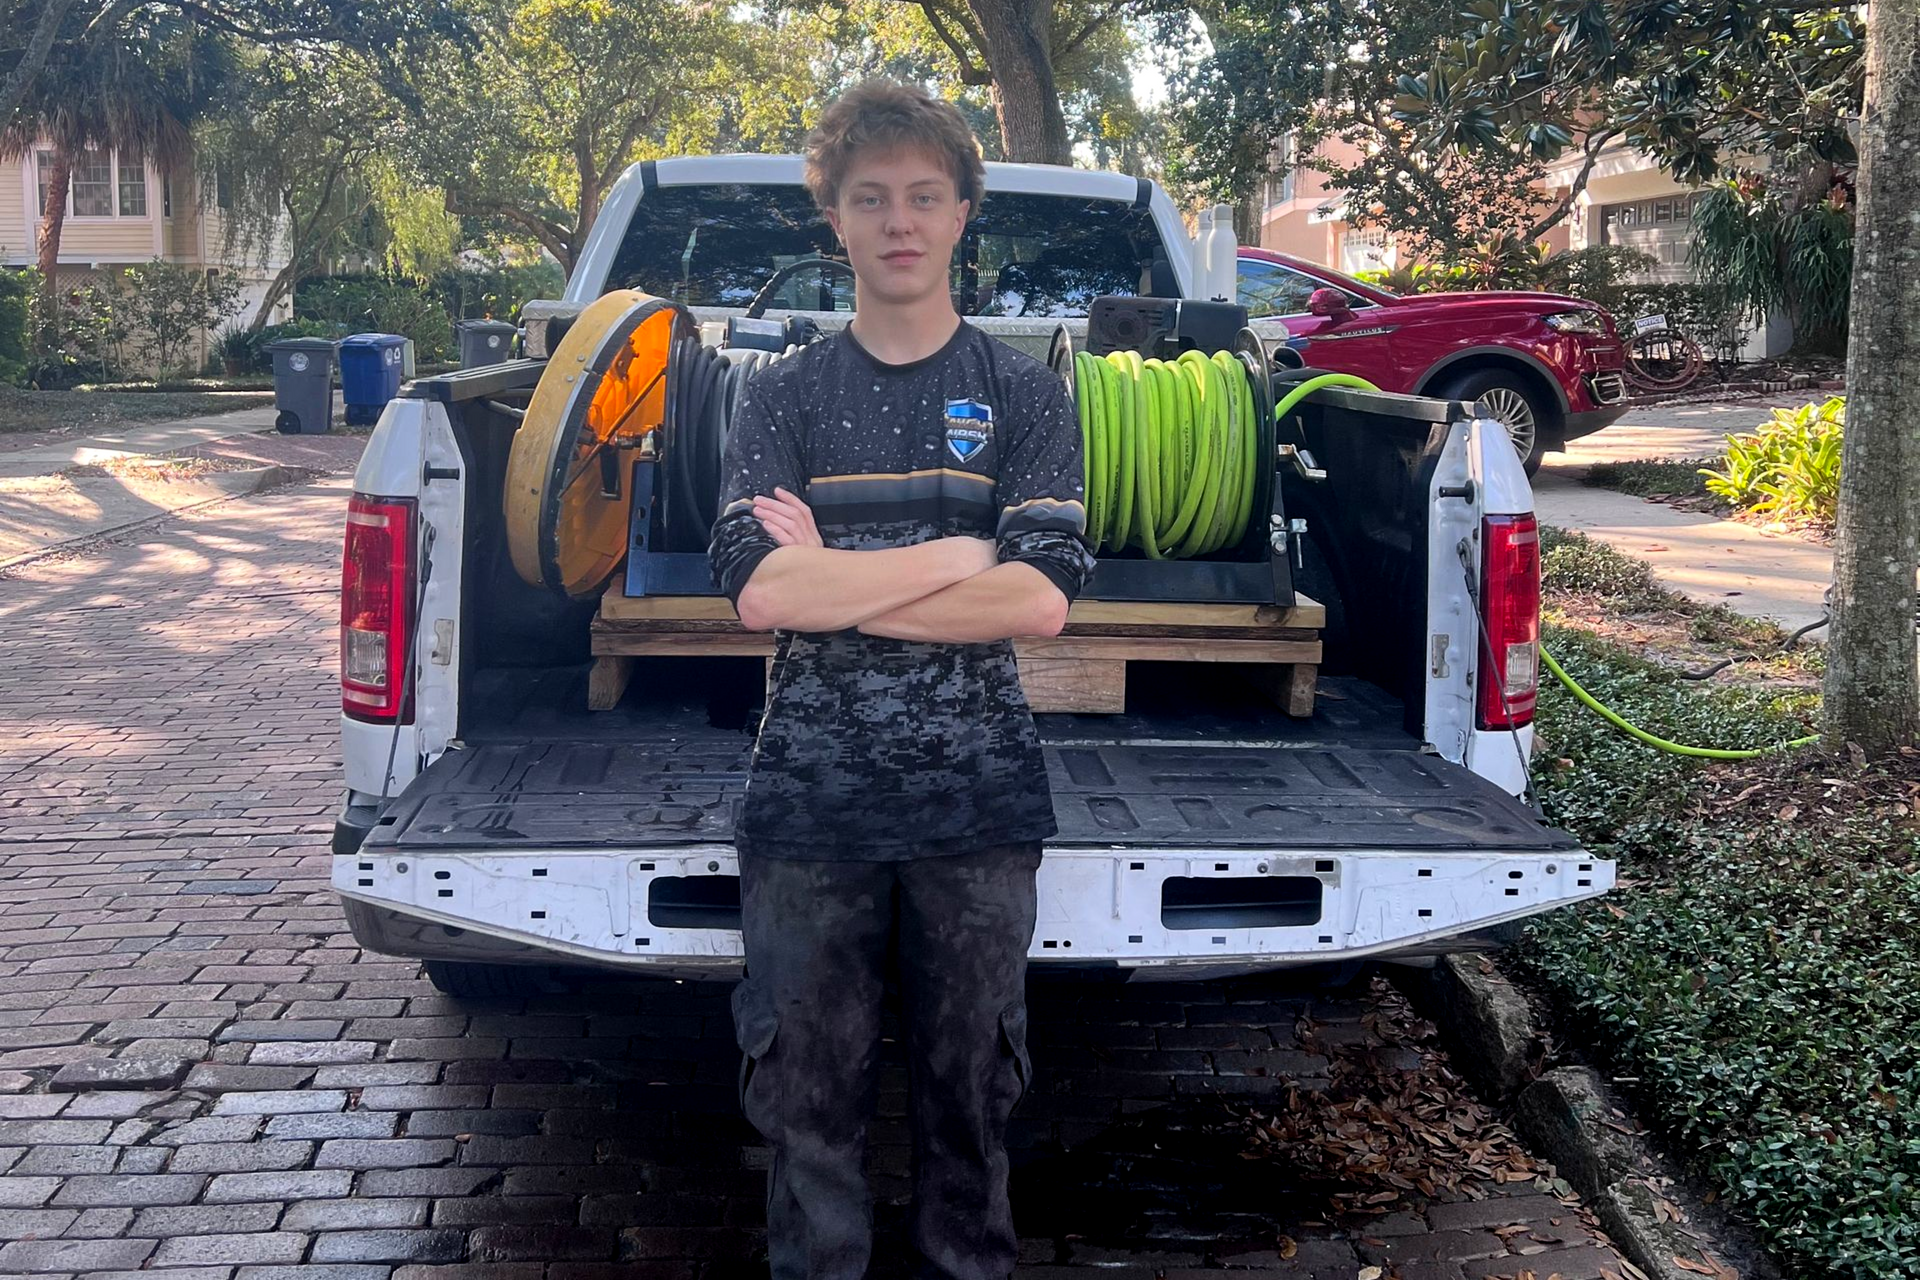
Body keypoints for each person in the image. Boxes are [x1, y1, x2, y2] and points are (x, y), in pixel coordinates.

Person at [706, 78, 1097, 1280]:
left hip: (975, 810)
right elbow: (767, 594)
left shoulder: (1030, 394)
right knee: (805, 1115)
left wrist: (843, 570)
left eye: (925, 194)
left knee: (971, 1102)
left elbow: (1037, 600)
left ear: (964, 211)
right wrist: (951, 551)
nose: (899, 220)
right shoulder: (777, 397)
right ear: (833, 215)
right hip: (809, 811)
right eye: (869, 196)